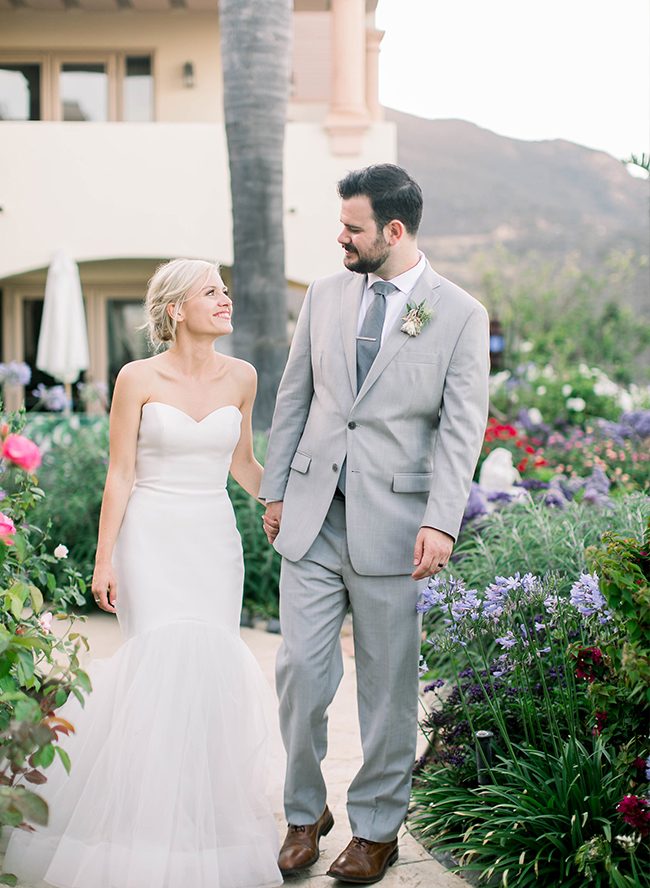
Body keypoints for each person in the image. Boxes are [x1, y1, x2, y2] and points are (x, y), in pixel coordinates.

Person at [3, 259, 283, 888]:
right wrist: (105, 557)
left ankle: (200, 825)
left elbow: (243, 463)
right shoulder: (136, 377)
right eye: (211, 291)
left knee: (210, 669)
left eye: (225, 289)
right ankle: (140, 830)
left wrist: (283, 500)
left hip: (213, 540)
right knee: (158, 665)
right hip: (150, 538)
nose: (226, 298)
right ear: (176, 309)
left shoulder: (243, 376)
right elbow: (121, 474)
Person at [259, 164, 490, 884]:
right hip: (313, 517)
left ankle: (377, 829)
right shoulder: (324, 297)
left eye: (353, 226)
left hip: (396, 525)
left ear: (393, 230)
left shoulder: (458, 313)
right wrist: (274, 489)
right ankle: (304, 814)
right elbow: (295, 396)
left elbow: (461, 428)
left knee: (388, 686)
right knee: (300, 672)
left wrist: (442, 522)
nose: (341, 236)